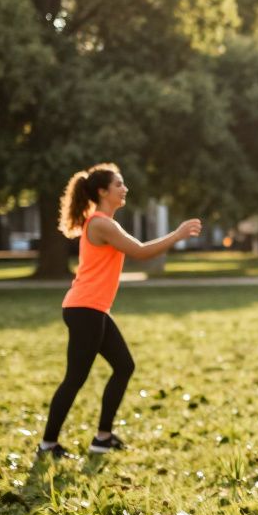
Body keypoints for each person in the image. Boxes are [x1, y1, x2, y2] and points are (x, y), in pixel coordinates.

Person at [39, 164, 202, 458]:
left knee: (124, 366)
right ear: (103, 192)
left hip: (92, 309)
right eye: (119, 184)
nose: (124, 189)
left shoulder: (103, 223)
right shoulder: (101, 223)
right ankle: (47, 445)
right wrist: (176, 235)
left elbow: (136, 249)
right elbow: (139, 252)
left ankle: (102, 438)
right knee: (75, 378)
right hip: (84, 308)